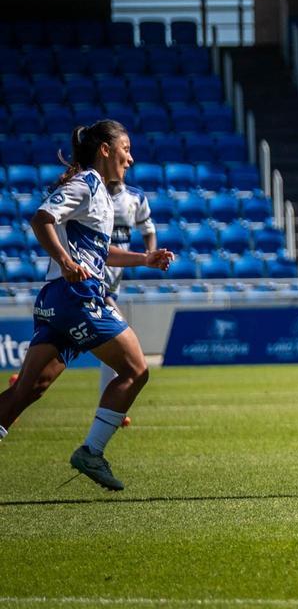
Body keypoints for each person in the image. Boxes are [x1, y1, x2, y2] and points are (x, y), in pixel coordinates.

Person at [0, 121, 173, 490]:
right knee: (136, 370)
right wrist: (64, 260)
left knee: (28, 390)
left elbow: (100, 252)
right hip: (76, 296)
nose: (131, 156)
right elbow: (42, 218)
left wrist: (145, 258)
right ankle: (92, 451)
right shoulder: (89, 183)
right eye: (125, 147)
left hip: (56, 299)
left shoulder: (100, 195)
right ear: (105, 150)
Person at [98, 176, 157, 424]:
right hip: (95, 280)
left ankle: (110, 403)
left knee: (50, 361)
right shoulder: (94, 195)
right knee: (122, 345)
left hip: (114, 280)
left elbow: (148, 229)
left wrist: (150, 255)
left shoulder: (136, 197)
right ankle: (113, 406)